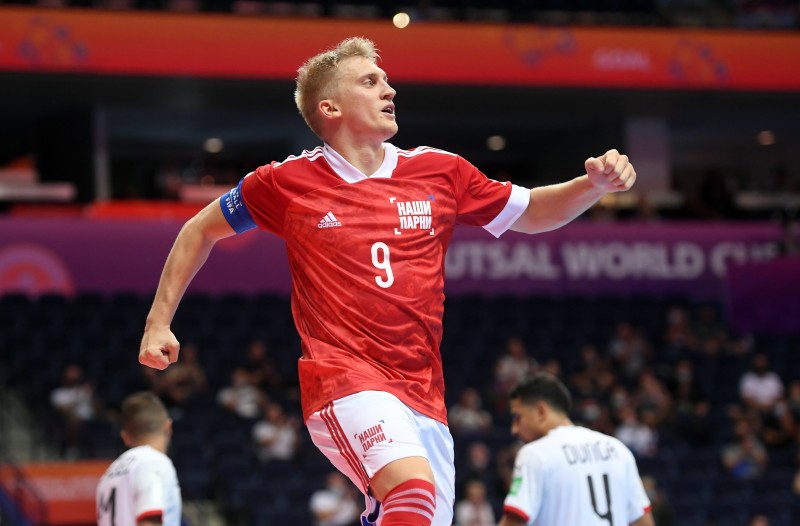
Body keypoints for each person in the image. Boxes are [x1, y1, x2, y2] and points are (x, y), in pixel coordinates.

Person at [138, 36, 637, 526]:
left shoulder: (441, 171)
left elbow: (532, 213)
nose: (389, 90)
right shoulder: (286, 182)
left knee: (417, 513)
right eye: (370, 81)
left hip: (425, 392)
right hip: (346, 379)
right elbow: (199, 229)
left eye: (387, 80)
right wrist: (159, 323)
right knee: (412, 493)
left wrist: (591, 185)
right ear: (329, 108)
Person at [498, 372, 653, 526]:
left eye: (518, 417)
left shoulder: (535, 454)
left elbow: (514, 521)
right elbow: (642, 521)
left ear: (541, 411)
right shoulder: (617, 449)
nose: (514, 429)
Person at [96, 391, 181, 526]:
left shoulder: (109, 472)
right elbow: (149, 520)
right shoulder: (154, 462)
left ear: (125, 437)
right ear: (168, 426)